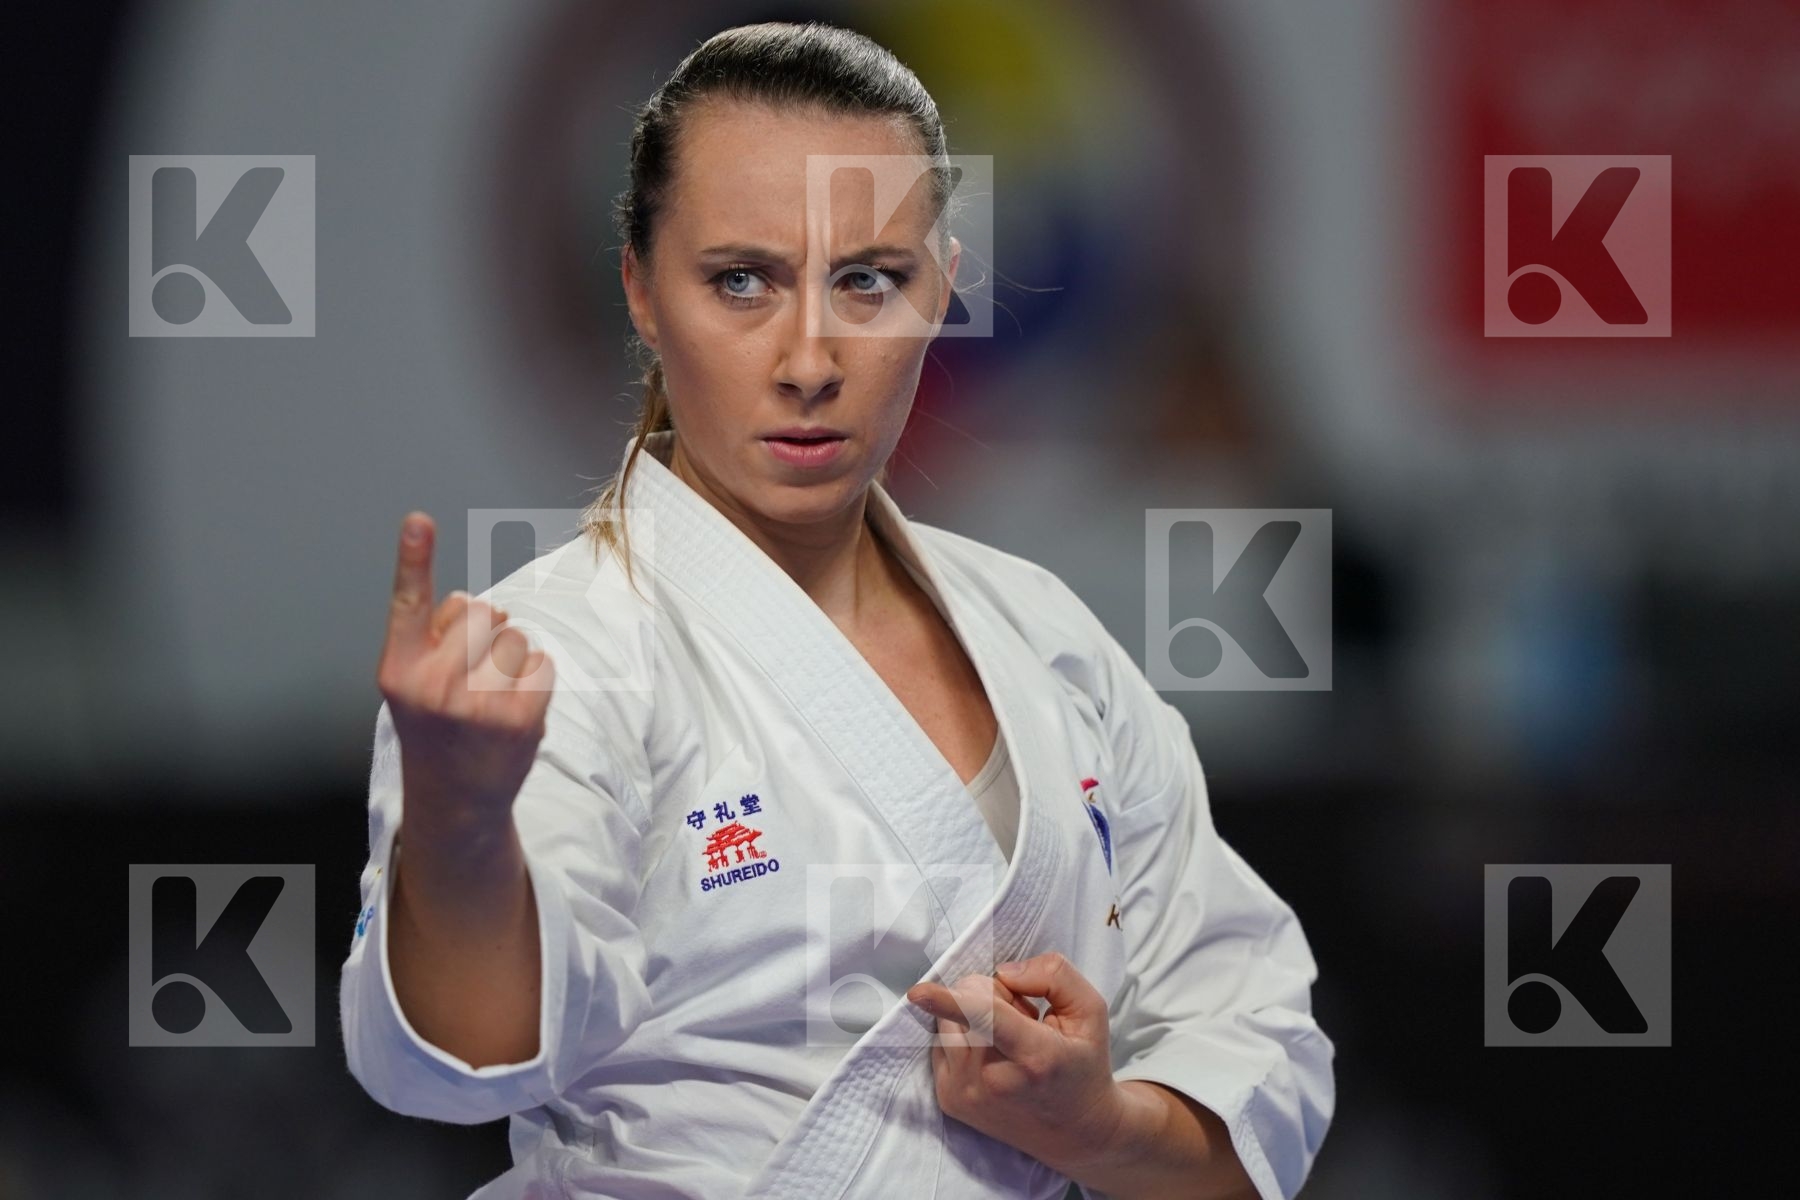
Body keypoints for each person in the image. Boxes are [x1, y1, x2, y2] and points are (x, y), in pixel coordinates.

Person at [339, 20, 1334, 1200]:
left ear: (943, 290)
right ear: (641, 291)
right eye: (741, 281)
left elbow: (1256, 1058)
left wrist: (1100, 1125)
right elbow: (456, 1071)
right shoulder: (559, 655)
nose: (809, 358)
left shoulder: (1047, 639)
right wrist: (456, 822)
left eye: (868, 281)